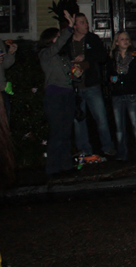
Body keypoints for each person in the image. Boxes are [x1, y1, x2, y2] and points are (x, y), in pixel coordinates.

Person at [65, 13, 116, 161]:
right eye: (82, 22)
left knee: (101, 118)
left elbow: (102, 57)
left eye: (86, 22)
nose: (86, 25)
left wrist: (85, 58)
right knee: (79, 120)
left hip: (92, 85)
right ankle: (84, 150)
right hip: (75, 87)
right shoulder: (68, 42)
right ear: (74, 26)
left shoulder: (93, 39)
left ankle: (108, 147)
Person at [38, 11, 78, 177]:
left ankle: (66, 166)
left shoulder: (62, 57)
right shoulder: (46, 54)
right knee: (57, 133)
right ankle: (52, 169)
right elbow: (57, 45)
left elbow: (70, 72)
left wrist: (76, 71)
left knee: (66, 132)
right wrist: (69, 28)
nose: (60, 39)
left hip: (67, 94)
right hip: (54, 96)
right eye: (57, 36)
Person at [108, 32, 136, 161]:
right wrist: (111, 79)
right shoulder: (112, 58)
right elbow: (107, 74)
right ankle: (121, 153)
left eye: (127, 39)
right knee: (119, 127)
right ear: (116, 43)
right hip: (117, 95)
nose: (125, 41)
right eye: (122, 39)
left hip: (132, 94)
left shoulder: (134, 56)